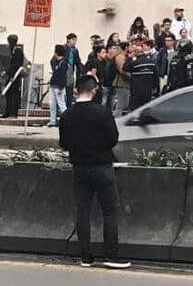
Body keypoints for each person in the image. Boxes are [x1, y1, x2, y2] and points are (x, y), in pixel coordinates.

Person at [58, 74, 130, 269]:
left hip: (79, 168)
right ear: (94, 90)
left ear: (76, 92)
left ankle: (86, 256)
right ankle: (111, 255)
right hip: (102, 167)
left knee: (83, 211)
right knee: (110, 210)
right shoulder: (103, 112)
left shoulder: (66, 115)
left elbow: (64, 143)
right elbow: (113, 139)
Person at [3, 34, 25, 118]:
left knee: (14, 94)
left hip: (15, 76)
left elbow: (16, 65)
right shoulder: (12, 50)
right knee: (8, 93)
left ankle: (13, 113)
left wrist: (10, 73)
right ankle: (7, 112)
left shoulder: (18, 50)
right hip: (11, 75)